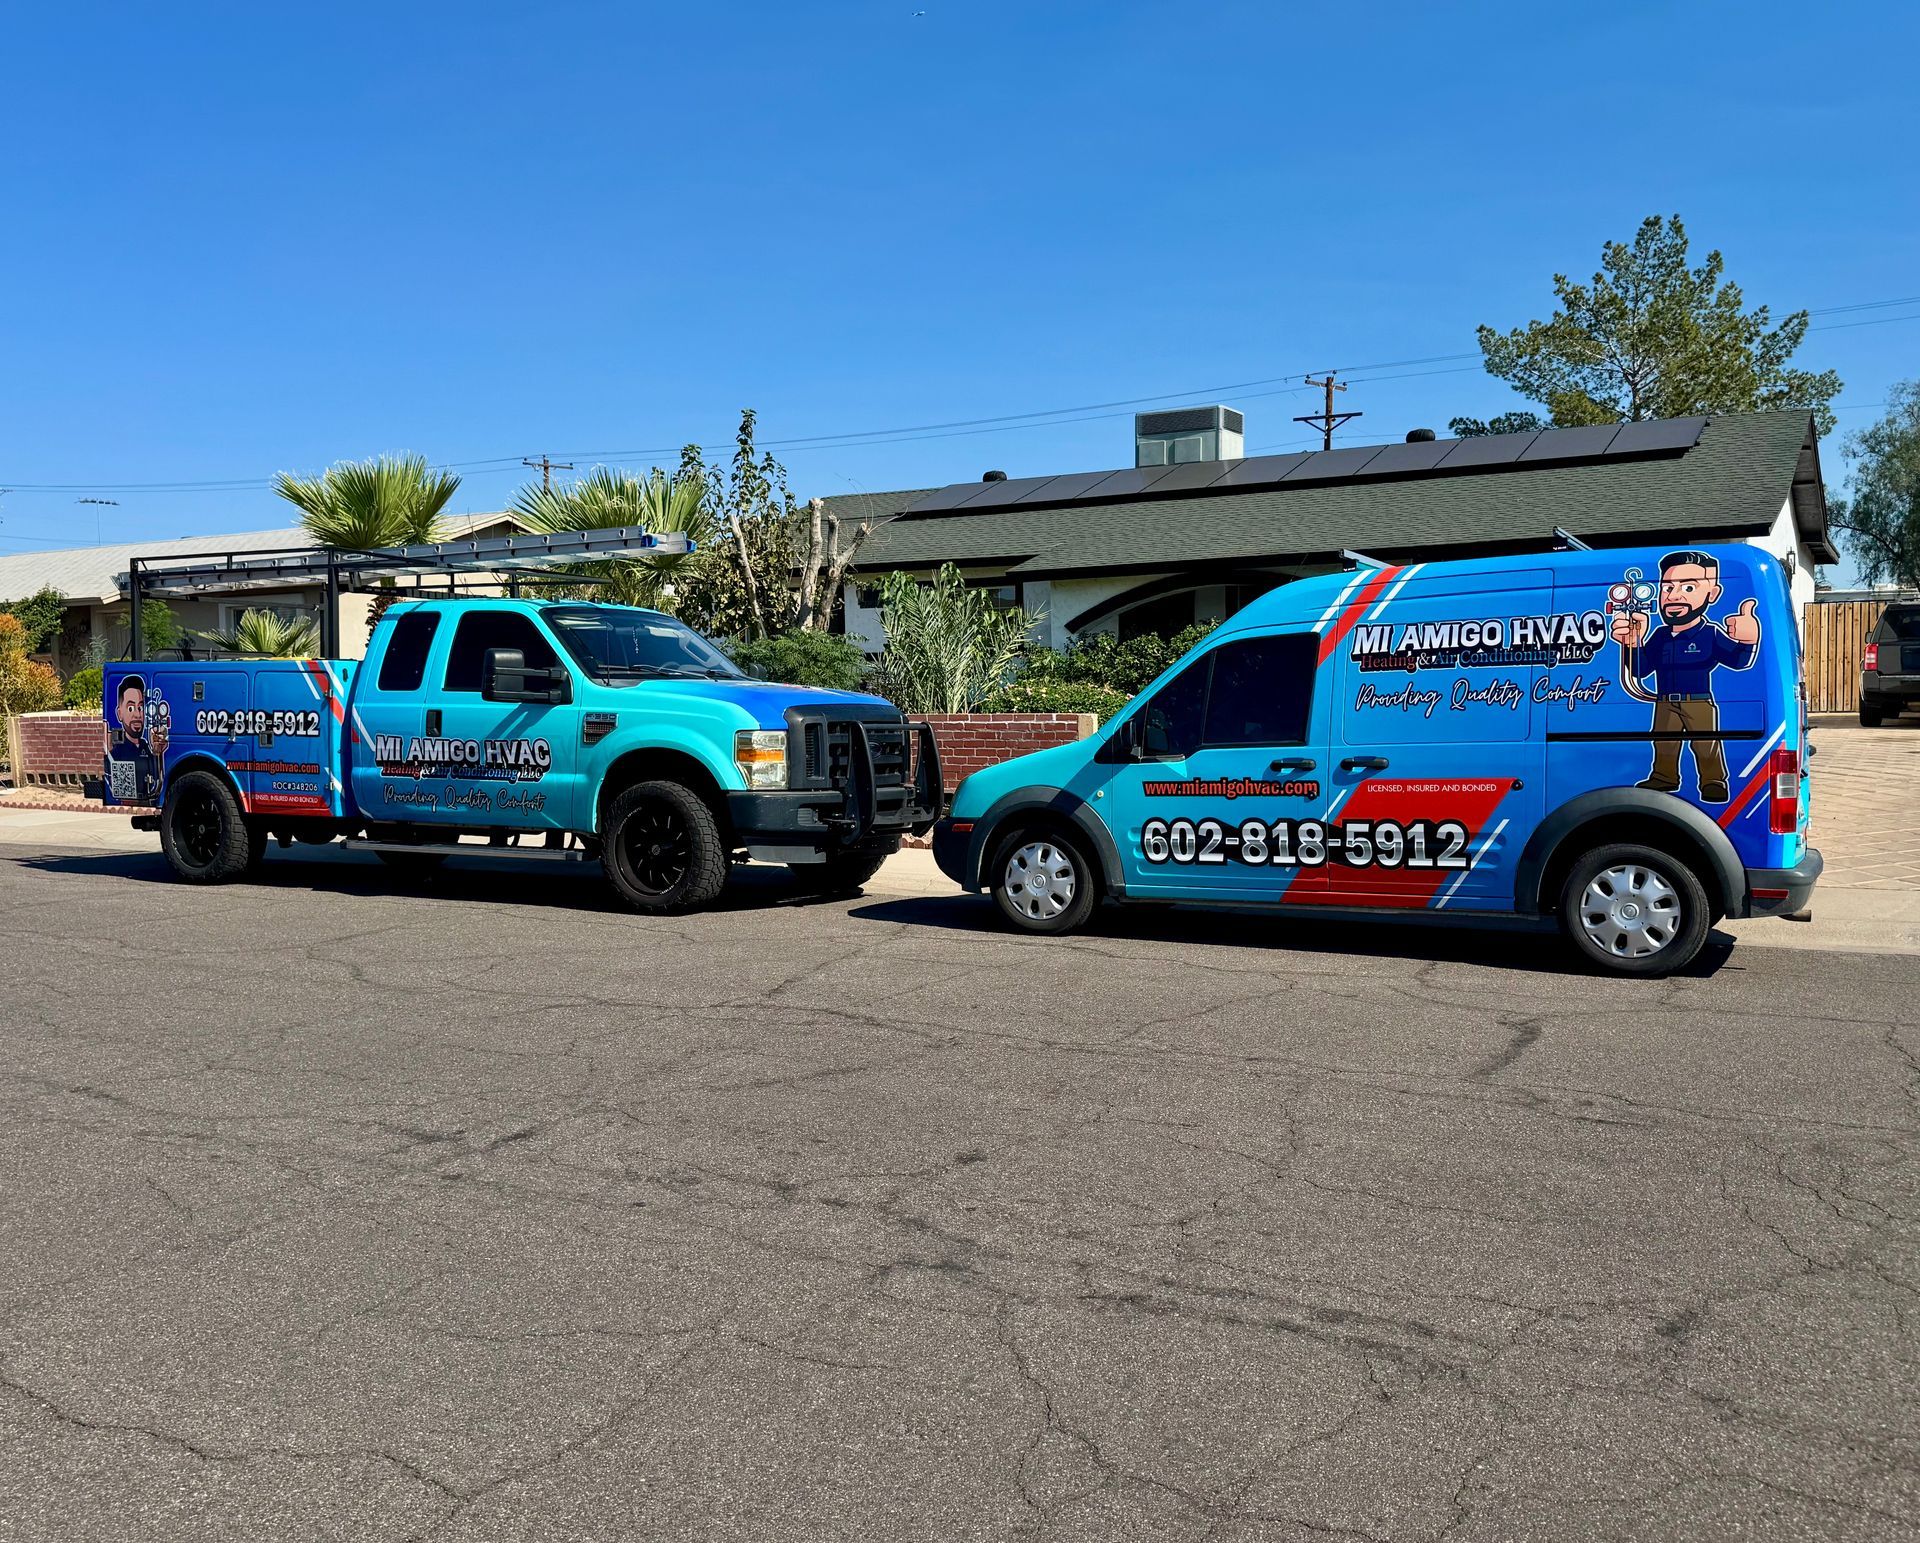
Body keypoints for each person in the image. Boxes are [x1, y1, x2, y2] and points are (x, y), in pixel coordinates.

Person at [1609, 550, 1760, 803]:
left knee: (1706, 744)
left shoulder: (1710, 633)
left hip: (1698, 701)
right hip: (1665, 700)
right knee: (1663, 742)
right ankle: (1664, 777)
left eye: (1689, 587)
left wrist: (1748, 640)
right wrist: (1633, 644)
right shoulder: (1659, 635)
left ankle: (1713, 783)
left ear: (1712, 594)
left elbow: (1739, 661)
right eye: (1667, 588)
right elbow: (1641, 670)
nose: (1674, 595)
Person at [105, 673, 168, 803]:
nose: (137, 714)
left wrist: (158, 754)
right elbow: (124, 795)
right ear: (119, 713)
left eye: (140, 707)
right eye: (130, 708)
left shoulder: (145, 746)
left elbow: (156, 785)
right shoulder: (117, 751)